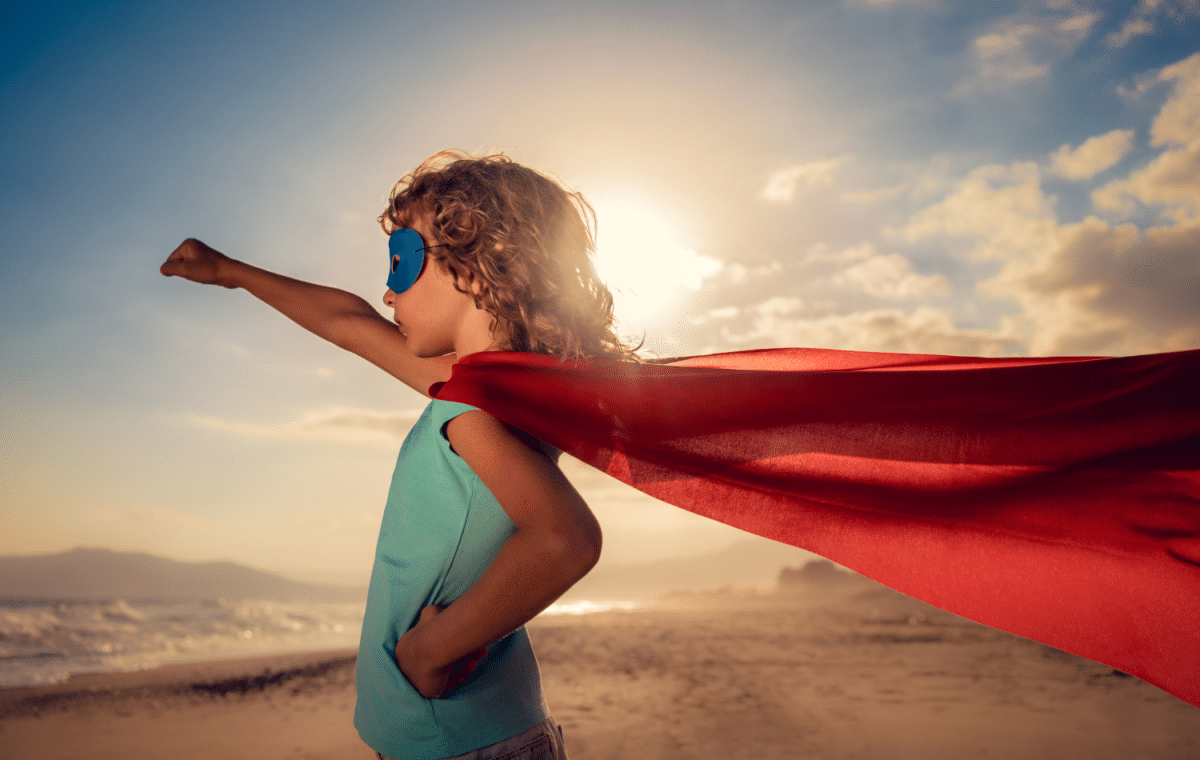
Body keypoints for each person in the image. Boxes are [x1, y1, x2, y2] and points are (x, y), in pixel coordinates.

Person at [160, 150, 638, 760]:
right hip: (475, 733)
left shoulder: (472, 412)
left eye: (404, 261)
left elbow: (566, 539)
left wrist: (428, 652)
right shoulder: (480, 389)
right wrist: (231, 271)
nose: (388, 291)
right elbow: (350, 322)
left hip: (459, 744)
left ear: (478, 269)